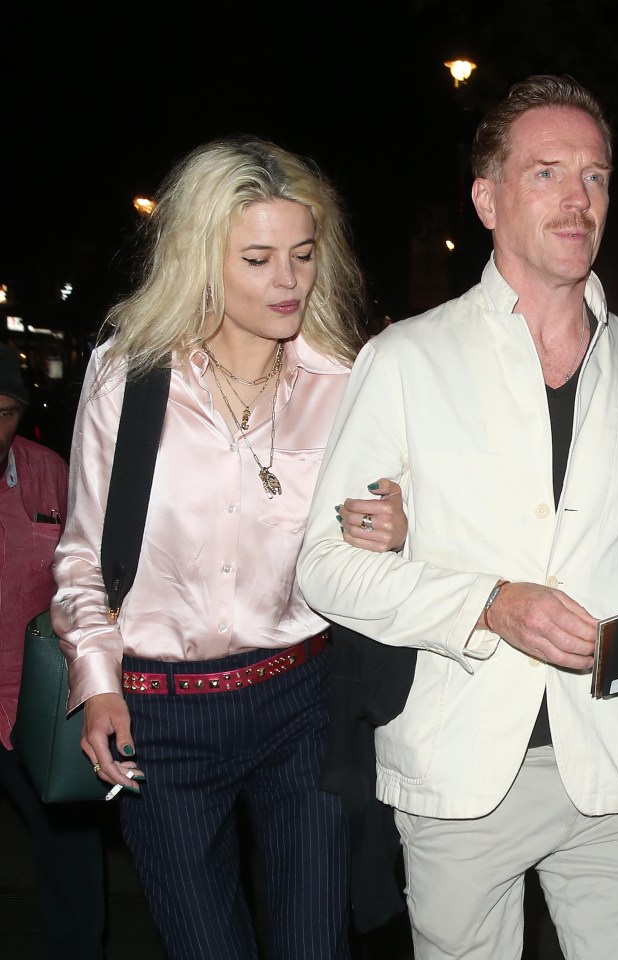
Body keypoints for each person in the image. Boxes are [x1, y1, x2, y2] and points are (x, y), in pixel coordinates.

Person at [297, 74, 618, 960]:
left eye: (596, 176)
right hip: (462, 776)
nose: (578, 200)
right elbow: (325, 567)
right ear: (487, 198)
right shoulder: (407, 359)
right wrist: (488, 604)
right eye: (546, 173)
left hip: (615, 769)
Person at [51, 137, 406, 960]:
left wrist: (398, 529)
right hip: (159, 715)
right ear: (202, 261)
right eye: (257, 258)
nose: (288, 281)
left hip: (301, 706)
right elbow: (79, 558)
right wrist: (98, 685)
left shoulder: (349, 384)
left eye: (302, 255)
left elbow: (379, 552)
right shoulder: (126, 377)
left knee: (317, 946)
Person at [0, 342, 105, 960]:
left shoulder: (47, 471)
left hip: (37, 708)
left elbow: (88, 572)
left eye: (7, 411)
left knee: (71, 857)